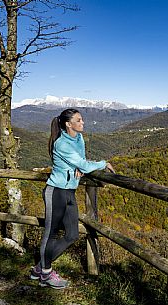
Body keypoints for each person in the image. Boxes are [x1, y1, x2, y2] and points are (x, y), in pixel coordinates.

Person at [29, 108, 115, 289]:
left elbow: (80, 161)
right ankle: (46, 274)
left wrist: (81, 167)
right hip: (56, 191)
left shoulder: (79, 138)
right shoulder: (61, 143)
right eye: (79, 120)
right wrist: (103, 163)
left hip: (69, 192)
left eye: (82, 119)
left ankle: (40, 267)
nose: (83, 123)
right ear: (68, 124)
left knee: (72, 234)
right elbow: (82, 163)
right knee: (50, 233)